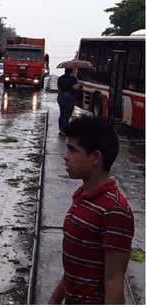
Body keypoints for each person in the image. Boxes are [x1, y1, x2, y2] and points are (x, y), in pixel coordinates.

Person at [48, 116, 134, 305]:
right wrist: (55, 299)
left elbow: (114, 280)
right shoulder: (83, 197)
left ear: (95, 158)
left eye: (72, 150)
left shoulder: (114, 210)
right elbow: (77, 267)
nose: (65, 155)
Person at [57, 68, 80, 137]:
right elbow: (76, 87)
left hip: (61, 96)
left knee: (62, 114)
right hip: (69, 98)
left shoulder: (60, 78)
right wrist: (78, 81)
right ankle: (64, 132)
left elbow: (59, 88)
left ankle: (61, 129)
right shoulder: (72, 79)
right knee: (67, 115)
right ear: (71, 72)